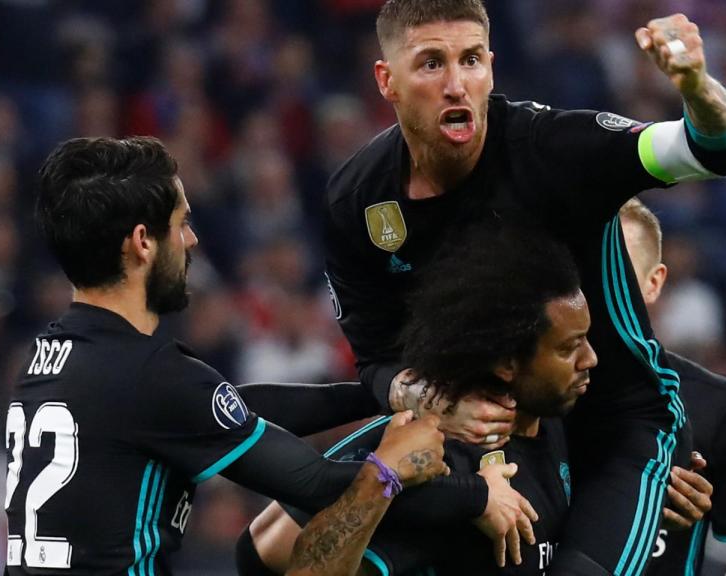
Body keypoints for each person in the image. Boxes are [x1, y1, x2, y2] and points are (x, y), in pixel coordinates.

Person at [322, 1, 726, 573]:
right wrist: (431, 400)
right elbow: (375, 358)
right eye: (430, 64)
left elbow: (711, 148)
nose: (456, 85)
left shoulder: (552, 149)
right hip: (496, 433)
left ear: (492, 67)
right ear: (387, 81)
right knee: (277, 543)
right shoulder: (358, 201)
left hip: (617, 428)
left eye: (471, 60)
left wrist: (696, 86)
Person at [3, 136, 449, 575]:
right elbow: (315, 484)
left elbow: (226, 406)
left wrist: (379, 393)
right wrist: (411, 470)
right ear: (142, 242)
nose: (192, 240)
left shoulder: (46, 359)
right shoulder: (150, 374)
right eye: (180, 224)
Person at [247, 224, 594, 575]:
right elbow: (265, 547)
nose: (590, 358)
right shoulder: (435, 446)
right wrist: (466, 496)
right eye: (568, 348)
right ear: (507, 362)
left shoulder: (557, 418)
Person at [619, 198, 726, 576]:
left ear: (654, 282)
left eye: (621, 271)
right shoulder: (529, 395)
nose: (604, 286)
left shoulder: (716, 405)